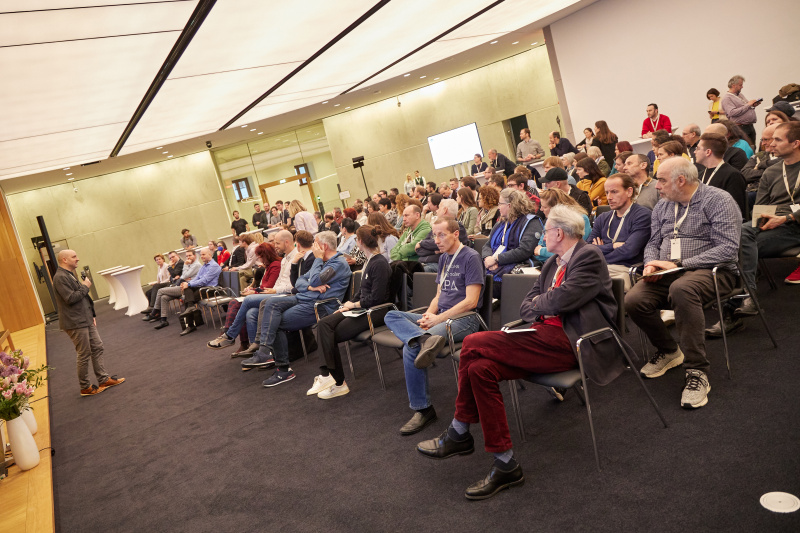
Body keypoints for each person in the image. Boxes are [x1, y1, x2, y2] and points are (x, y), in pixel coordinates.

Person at [416, 205, 626, 500]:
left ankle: (459, 431)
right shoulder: (553, 262)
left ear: (558, 233)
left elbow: (563, 299)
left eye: (546, 231)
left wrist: (543, 303)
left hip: (573, 341)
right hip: (542, 336)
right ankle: (505, 464)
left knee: (473, 343)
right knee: (479, 369)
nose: (542, 236)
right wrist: (544, 303)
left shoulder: (588, 256)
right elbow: (529, 304)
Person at [625, 157, 741, 409]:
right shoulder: (663, 206)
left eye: (661, 180)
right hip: (669, 272)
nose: (656, 186)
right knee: (634, 299)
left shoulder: (718, 200)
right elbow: (653, 243)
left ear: (680, 180)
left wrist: (679, 263)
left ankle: (697, 370)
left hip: (713, 271)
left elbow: (728, 249)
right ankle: (669, 351)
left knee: (683, 289)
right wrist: (651, 263)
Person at [384, 217, 485, 435]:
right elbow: (438, 296)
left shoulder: (471, 257)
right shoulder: (444, 259)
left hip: (464, 319)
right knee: (391, 315)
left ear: (455, 234)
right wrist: (428, 315)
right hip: (440, 318)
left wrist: (437, 320)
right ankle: (421, 337)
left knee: (410, 348)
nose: (436, 240)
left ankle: (423, 410)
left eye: (441, 235)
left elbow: (471, 302)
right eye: (434, 235)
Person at [242, 231, 351, 387]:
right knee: (269, 303)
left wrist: (316, 266)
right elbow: (300, 281)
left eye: (316, 243)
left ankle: (282, 369)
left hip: (320, 306)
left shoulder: (337, 263)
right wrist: (309, 287)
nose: (313, 246)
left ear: (324, 246)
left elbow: (315, 280)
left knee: (275, 322)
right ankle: (264, 351)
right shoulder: (323, 261)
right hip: (305, 298)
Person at [307, 225, 394, 399]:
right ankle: (326, 375)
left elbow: (376, 298)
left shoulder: (379, 263)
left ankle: (338, 383)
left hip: (376, 311)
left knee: (330, 334)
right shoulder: (370, 261)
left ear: (360, 242)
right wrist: (348, 305)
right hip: (363, 308)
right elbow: (362, 291)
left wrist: (354, 305)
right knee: (323, 324)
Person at [737, 122, 800, 316]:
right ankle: (746, 297)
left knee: (740, 246)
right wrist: (764, 220)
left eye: (778, 140)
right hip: (773, 225)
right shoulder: (771, 172)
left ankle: (744, 298)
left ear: (795, 143)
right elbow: (761, 208)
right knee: (736, 235)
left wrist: (786, 217)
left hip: (795, 226)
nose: (771, 144)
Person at [53, 249, 126, 396]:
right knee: (84, 353)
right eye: (74, 257)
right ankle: (85, 387)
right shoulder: (60, 277)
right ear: (64, 260)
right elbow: (71, 298)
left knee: (97, 347)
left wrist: (90, 314)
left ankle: (103, 379)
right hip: (75, 322)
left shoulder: (68, 274)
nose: (78, 259)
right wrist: (85, 286)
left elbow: (82, 299)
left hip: (84, 318)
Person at [209, 243, 282, 352]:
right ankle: (251, 347)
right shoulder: (269, 266)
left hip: (271, 296)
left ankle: (229, 334)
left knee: (236, 303)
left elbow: (269, 287)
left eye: (260, 256)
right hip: (265, 295)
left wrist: (254, 291)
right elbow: (263, 286)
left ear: (266, 255)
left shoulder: (275, 265)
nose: (259, 258)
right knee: (248, 312)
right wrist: (253, 289)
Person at [587, 174, 652, 291]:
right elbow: (588, 249)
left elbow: (629, 251)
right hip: (600, 267)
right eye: (607, 192)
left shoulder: (642, 216)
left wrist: (600, 251)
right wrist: (612, 246)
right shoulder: (602, 218)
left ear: (629, 192)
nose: (609, 197)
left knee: (588, 281)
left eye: (614, 192)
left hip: (626, 269)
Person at [482, 189, 542, 297]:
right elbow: (487, 244)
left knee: (480, 286)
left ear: (509, 205)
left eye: (500, 204)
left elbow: (524, 250)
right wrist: (487, 259)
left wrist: (497, 259)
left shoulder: (531, 222)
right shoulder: (501, 223)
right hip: (492, 266)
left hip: (513, 268)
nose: (498, 207)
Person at [693, 132, 747, 218]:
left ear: (708, 152)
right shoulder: (700, 175)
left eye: (698, 148)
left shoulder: (733, 176)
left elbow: (736, 210)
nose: (694, 152)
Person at [533, 188, 591, 264]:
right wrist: (550, 252)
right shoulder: (550, 220)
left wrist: (542, 251)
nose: (541, 209)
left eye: (545, 207)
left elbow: (572, 251)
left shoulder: (581, 219)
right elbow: (537, 253)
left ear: (556, 207)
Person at [175, 247, 223, 336]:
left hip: (210, 289)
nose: (201, 256)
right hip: (202, 288)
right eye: (201, 255)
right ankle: (191, 308)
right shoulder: (204, 266)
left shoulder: (214, 266)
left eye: (203, 254)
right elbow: (197, 278)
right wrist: (187, 284)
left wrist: (189, 284)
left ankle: (190, 325)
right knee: (187, 290)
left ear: (210, 254)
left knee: (188, 297)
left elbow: (204, 281)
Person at [145, 249, 200, 323]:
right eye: (187, 256)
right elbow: (175, 277)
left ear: (195, 256)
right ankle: (163, 320)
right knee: (164, 297)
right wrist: (181, 276)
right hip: (180, 285)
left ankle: (153, 312)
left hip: (185, 287)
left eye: (190, 255)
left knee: (160, 290)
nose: (188, 257)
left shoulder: (194, 265)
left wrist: (182, 269)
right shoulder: (188, 264)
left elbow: (182, 276)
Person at [416, 199, 469, 272]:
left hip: (444, 265)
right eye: (436, 236)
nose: (437, 211)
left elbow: (440, 245)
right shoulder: (437, 227)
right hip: (426, 262)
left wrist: (421, 243)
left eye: (439, 208)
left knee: (417, 272)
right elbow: (419, 250)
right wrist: (435, 251)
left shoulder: (458, 228)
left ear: (445, 210)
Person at [741, 124, 780, 206]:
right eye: (762, 140)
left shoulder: (786, 157)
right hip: (753, 191)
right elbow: (744, 174)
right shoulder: (759, 155)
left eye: (766, 140)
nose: (763, 143)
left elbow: (778, 170)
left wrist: (759, 166)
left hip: (772, 193)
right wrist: (765, 171)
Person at [720, 75, 760, 148]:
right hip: (740, 128)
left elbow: (746, 106)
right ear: (733, 85)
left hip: (749, 126)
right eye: (740, 85)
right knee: (744, 148)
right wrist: (748, 105)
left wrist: (753, 105)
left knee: (752, 147)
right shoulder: (727, 98)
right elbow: (732, 112)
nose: (742, 87)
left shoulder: (740, 95)